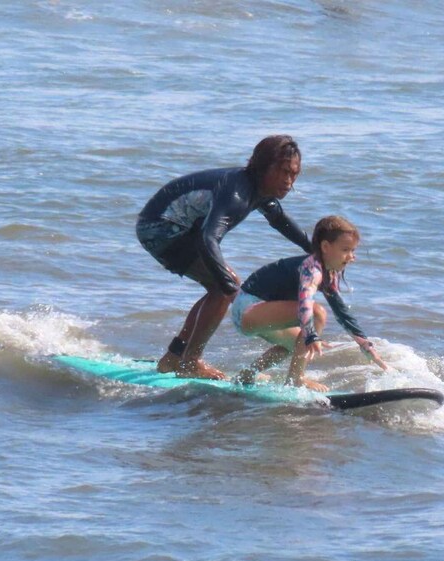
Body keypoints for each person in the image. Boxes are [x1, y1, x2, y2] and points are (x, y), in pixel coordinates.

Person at [136, 135, 312, 380]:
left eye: (294, 174)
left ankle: (175, 357)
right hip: (160, 228)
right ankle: (189, 362)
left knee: (218, 286)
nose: (289, 181)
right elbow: (208, 239)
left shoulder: (259, 191)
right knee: (222, 286)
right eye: (283, 172)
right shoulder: (236, 193)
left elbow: (281, 222)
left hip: (174, 229)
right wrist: (228, 286)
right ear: (262, 167)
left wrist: (316, 251)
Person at [230, 215, 388, 392]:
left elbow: (342, 313)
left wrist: (366, 346)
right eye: (345, 250)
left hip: (257, 312)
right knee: (317, 313)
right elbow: (306, 302)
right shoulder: (312, 270)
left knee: (295, 344)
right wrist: (311, 335)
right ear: (326, 247)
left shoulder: (329, 273)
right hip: (248, 309)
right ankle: (296, 379)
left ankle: (247, 374)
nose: (351, 257)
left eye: (353, 250)